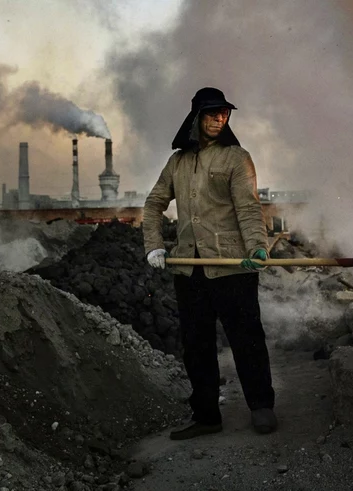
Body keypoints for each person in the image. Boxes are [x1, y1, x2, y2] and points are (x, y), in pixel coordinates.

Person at [142, 87, 277, 440]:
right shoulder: (178, 162)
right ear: (197, 116)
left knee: (246, 339)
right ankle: (206, 416)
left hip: (233, 266)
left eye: (225, 114)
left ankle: (261, 407)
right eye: (213, 113)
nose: (221, 118)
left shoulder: (236, 158)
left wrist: (258, 248)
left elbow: (248, 208)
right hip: (190, 269)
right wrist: (154, 246)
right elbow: (153, 204)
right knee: (197, 345)